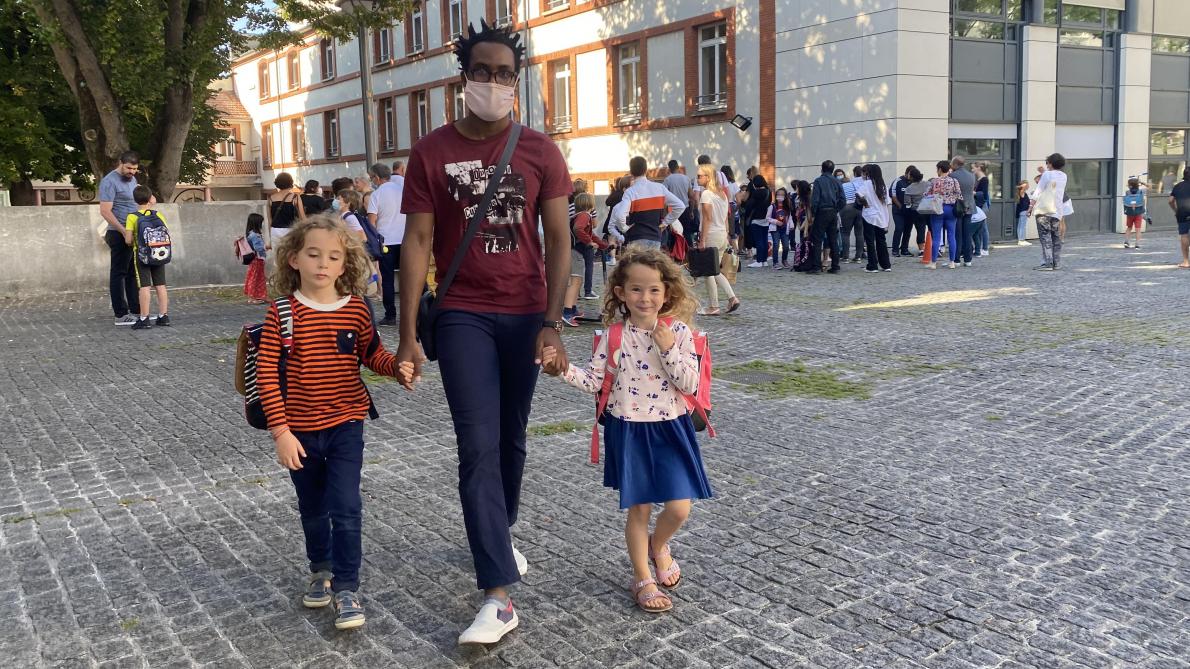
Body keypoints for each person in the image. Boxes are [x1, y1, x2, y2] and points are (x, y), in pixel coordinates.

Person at [395, 19, 572, 646]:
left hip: (525, 313)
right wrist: (408, 331)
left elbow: (559, 242)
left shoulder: (541, 151)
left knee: (511, 442)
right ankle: (498, 596)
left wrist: (553, 324)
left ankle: (500, 538)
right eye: (482, 72)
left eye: (504, 74)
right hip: (464, 311)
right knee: (477, 444)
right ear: (463, 77)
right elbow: (416, 241)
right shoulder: (432, 151)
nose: (493, 82)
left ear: (514, 81)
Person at [539, 247, 712, 614]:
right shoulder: (613, 336)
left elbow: (691, 383)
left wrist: (668, 350)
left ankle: (658, 546)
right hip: (629, 430)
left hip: (671, 427)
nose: (645, 298)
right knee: (639, 509)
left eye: (653, 290)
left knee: (679, 508)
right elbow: (593, 381)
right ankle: (641, 576)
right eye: (636, 289)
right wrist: (561, 371)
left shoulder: (678, 332)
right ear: (621, 293)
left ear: (667, 292)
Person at [257, 216, 408, 632]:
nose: (323, 263)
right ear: (293, 259)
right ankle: (320, 568)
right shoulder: (282, 313)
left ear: (345, 265)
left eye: (334, 257)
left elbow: (371, 355)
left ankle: (346, 587)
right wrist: (281, 433)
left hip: (347, 424)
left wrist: (396, 368)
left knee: (345, 506)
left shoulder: (357, 309)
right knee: (312, 508)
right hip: (298, 432)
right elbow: (267, 374)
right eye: (313, 254)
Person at [99, 151, 142, 325]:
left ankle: (136, 311)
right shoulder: (109, 181)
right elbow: (105, 211)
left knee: (133, 273)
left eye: (135, 169)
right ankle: (121, 314)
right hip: (118, 233)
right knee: (118, 273)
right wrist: (123, 231)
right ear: (120, 163)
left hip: (132, 232)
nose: (132, 172)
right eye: (129, 168)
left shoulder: (132, 180)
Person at [611, 156, 686, 250]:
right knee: (652, 264)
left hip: (636, 237)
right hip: (655, 237)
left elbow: (619, 215)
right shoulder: (659, 188)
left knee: (637, 264)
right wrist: (665, 223)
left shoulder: (630, 192)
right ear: (646, 170)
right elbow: (680, 206)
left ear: (631, 171)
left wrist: (624, 228)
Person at [695, 163, 740, 315]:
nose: (697, 178)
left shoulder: (706, 194)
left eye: (700, 176)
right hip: (721, 234)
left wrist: (702, 239)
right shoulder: (722, 194)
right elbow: (727, 217)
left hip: (712, 234)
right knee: (714, 271)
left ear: (708, 177)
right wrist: (727, 234)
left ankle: (714, 306)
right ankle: (732, 298)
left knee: (709, 271)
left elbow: (707, 218)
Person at [124, 186, 171, 330]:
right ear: (151, 198)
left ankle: (144, 318)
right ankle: (163, 316)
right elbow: (166, 233)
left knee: (144, 286)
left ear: (135, 199)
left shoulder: (132, 217)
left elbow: (128, 240)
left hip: (142, 257)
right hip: (159, 254)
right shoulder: (158, 215)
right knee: (160, 285)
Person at [366, 163, 405, 326]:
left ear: (376, 177)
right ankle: (417, 312)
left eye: (371, 178)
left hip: (386, 242)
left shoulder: (377, 194)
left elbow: (372, 221)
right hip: (405, 239)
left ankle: (390, 315)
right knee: (410, 276)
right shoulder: (402, 190)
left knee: (387, 279)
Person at [1029, 153, 1068, 271]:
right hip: (1057, 210)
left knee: (1045, 237)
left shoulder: (1047, 174)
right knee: (1055, 237)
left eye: (1047, 162)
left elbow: (1038, 191)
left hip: (1044, 210)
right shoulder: (1064, 176)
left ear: (1050, 163)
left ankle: (1048, 263)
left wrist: (1030, 207)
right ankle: (1056, 262)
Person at [809, 160, 845, 274]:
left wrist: (814, 213)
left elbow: (815, 200)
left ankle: (816, 267)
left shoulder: (818, 181)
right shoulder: (837, 181)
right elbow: (843, 199)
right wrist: (836, 209)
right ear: (833, 169)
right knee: (833, 239)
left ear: (822, 169)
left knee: (817, 239)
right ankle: (835, 266)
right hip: (833, 212)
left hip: (821, 211)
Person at [572, 192, 608, 306]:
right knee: (586, 269)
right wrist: (589, 242)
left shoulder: (578, 215)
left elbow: (591, 234)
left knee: (578, 271)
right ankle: (587, 291)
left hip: (579, 246)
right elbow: (578, 229)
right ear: (590, 204)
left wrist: (603, 245)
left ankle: (579, 293)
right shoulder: (585, 215)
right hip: (582, 246)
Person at [855, 164, 892, 273]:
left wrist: (865, 204)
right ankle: (886, 264)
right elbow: (888, 202)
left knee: (870, 241)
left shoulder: (866, 184)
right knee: (881, 241)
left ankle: (872, 265)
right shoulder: (883, 185)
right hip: (882, 217)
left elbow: (858, 194)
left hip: (869, 215)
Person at [926, 161, 961, 270]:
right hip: (951, 210)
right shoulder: (954, 181)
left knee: (936, 237)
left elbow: (926, 195)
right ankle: (952, 262)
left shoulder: (934, 181)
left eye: (937, 169)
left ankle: (933, 262)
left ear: (940, 169)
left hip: (938, 209)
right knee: (952, 236)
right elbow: (959, 195)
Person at [950, 156, 977, 267]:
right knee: (967, 234)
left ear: (955, 164)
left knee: (957, 234)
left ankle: (956, 259)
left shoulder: (952, 176)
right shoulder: (972, 176)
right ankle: (968, 259)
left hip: (958, 207)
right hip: (970, 206)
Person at [663, 160, 695, 248]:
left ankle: (676, 257)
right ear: (678, 167)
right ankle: (690, 254)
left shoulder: (667, 180)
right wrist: (691, 211)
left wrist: (665, 214)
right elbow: (692, 196)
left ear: (669, 169)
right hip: (685, 209)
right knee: (687, 232)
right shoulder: (686, 178)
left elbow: (664, 198)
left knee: (674, 234)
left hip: (672, 210)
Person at [268, 172, 306, 245]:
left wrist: (270, 237)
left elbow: (270, 220)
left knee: (277, 255)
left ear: (277, 183)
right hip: (290, 230)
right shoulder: (295, 197)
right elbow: (302, 217)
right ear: (290, 182)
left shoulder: (271, 198)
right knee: (290, 254)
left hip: (275, 231)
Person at [742, 174, 771, 267]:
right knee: (764, 239)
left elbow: (749, 205)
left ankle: (759, 261)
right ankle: (764, 260)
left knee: (759, 240)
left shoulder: (756, 193)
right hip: (766, 218)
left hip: (756, 218)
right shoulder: (768, 191)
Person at [839, 166, 865, 263]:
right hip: (858, 208)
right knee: (859, 233)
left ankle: (845, 257)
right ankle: (858, 257)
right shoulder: (854, 185)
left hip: (846, 208)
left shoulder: (841, 186)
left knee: (845, 233)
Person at [901, 167, 928, 256]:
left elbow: (907, 202)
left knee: (920, 230)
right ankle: (936, 248)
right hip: (928, 210)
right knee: (932, 229)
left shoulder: (909, 188)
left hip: (916, 211)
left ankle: (921, 250)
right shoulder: (927, 184)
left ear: (912, 177)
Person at [1168, 167, 1190, 269]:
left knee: (1184, 235)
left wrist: (1176, 210)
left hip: (1182, 213)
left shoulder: (1177, 186)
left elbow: (1170, 200)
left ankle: (1186, 261)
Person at [244, 213, 268, 304]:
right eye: (261, 222)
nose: (262, 224)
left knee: (258, 278)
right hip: (257, 259)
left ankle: (260, 296)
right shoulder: (255, 235)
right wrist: (266, 247)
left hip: (256, 259)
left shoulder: (251, 234)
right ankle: (252, 297)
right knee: (255, 278)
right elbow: (258, 248)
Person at [766, 187, 792, 269]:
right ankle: (775, 263)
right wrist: (776, 222)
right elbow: (767, 218)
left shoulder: (787, 207)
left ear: (785, 196)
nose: (780, 196)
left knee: (786, 245)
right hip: (775, 229)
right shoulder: (772, 206)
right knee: (776, 244)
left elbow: (789, 217)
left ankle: (784, 260)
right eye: (778, 194)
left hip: (784, 229)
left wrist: (791, 225)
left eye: (782, 195)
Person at [1123, 177, 1146, 249]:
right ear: (1138, 185)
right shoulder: (1141, 191)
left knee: (1129, 227)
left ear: (1130, 185)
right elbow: (1150, 187)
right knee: (1138, 229)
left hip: (1130, 212)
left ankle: (1126, 241)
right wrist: (1142, 183)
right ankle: (1137, 244)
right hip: (1138, 212)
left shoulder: (1127, 192)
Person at [973, 163, 991, 256]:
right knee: (979, 228)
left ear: (979, 168)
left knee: (983, 227)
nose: (972, 170)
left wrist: (974, 193)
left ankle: (985, 248)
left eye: (973, 168)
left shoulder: (984, 179)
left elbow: (983, 194)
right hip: (978, 205)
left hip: (982, 205)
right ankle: (979, 248)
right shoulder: (979, 179)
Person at [1014, 181, 1032, 246]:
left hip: (1023, 211)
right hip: (1024, 211)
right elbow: (1021, 187)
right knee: (1022, 226)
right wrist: (1024, 184)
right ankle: (1021, 240)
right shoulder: (1022, 192)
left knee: (1020, 226)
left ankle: (1020, 240)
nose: (1028, 186)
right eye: (1027, 185)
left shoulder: (1023, 192)